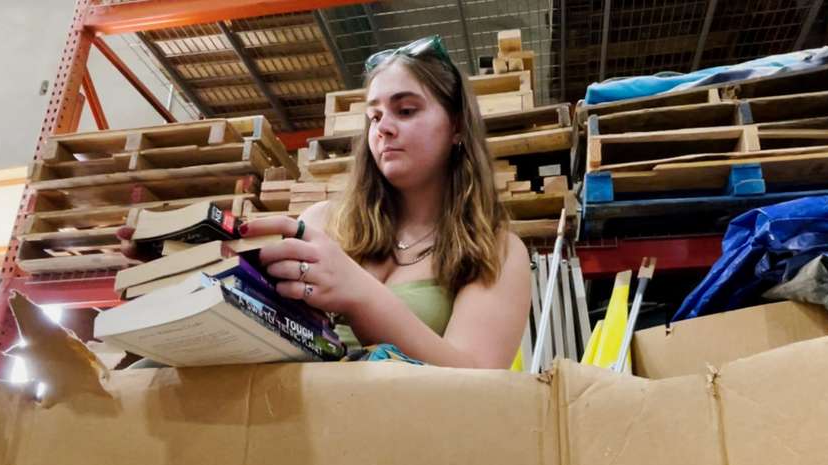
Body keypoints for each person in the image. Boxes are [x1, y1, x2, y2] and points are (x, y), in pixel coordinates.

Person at [120, 36, 530, 369]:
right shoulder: (323, 222)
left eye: (405, 110)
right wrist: (184, 273)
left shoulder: (496, 249)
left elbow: (476, 384)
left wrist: (359, 293)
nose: (383, 128)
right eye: (374, 116)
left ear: (457, 125)